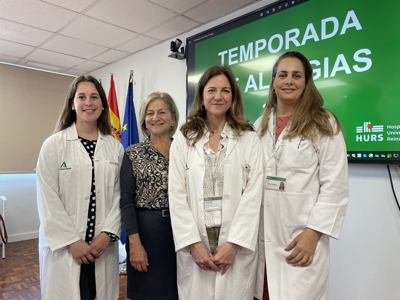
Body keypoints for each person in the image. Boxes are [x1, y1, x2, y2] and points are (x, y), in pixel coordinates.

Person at [254, 51, 349, 300]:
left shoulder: (323, 122)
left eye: (297, 76)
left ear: (306, 83)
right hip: (262, 242)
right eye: (282, 75)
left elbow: (335, 185)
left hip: (300, 239)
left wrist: (313, 233)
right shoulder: (259, 125)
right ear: (273, 82)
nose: (289, 81)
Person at [169, 65, 264, 300]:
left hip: (234, 246)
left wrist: (234, 243)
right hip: (197, 244)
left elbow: (254, 194)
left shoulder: (249, 138)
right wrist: (193, 244)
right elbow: (176, 193)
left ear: (233, 97)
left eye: (225, 90)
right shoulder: (184, 138)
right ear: (202, 96)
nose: (218, 96)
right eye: (211, 90)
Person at [36, 75, 124, 300]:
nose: (88, 103)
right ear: (72, 104)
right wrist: (72, 241)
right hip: (66, 249)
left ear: (102, 104)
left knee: (99, 293)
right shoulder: (53, 145)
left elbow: (120, 195)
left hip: (101, 247)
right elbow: (48, 198)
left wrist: (108, 234)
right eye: (82, 97)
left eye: (94, 97)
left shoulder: (115, 148)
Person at [120, 92, 179, 300]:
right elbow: (126, 201)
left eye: (162, 112)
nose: (156, 117)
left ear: (172, 116)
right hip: (146, 234)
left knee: (180, 291)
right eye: (150, 113)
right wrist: (134, 243)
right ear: (144, 119)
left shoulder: (186, 149)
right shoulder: (133, 153)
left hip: (181, 232)